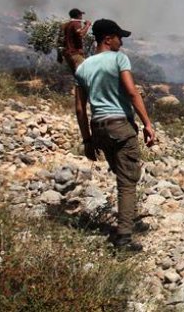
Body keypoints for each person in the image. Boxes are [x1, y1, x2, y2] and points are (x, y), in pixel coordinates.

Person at [74, 18, 156, 252]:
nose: (122, 42)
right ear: (107, 39)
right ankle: (123, 239)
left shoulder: (82, 67)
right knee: (128, 182)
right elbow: (131, 92)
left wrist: (87, 140)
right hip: (120, 125)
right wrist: (148, 124)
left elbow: (80, 108)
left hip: (98, 127)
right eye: (119, 37)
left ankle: (126, 219)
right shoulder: (119, 58)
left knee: (122, 175)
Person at [61, 8, 92, 72]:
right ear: (78, 16)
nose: (81, 17)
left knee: (77, 74)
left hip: (68, 53)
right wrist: (87, 25)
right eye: (81, 15)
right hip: (75, 53)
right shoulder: (76, 24)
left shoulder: (66, 25)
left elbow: (61, 39)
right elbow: (81, 34)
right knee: (84, 73)